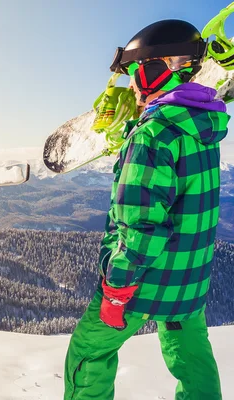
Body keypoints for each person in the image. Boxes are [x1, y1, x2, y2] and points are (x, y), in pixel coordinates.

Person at [64, 20, 229, 400]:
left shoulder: (151, 135)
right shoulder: (202, 124)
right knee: (191, 359)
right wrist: (132, 126)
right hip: (189, 279)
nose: (135, 85)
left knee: (89, 351)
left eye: (138, 73)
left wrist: (117, 289)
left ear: (159, 69)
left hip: (144, 281)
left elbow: (141, 226)